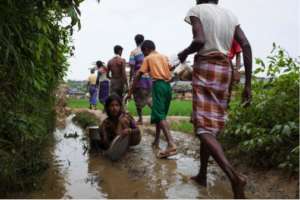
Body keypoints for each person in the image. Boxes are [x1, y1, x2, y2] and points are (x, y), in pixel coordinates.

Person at [178, 0, 252, 198]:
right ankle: (202, 174)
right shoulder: (230, 15)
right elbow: (245, 44)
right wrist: (248, 85)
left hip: (206, 67)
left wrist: (183, 53)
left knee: (203, 128)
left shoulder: (197, 10)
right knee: (211, 127)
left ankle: (234, 177)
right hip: (224, 70)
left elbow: (199, 41)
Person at [127, 40, 177, 159]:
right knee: (161, 116)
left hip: (158, 86)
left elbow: (138, 75)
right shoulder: (164, 56)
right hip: (167, 87)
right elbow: (171, 68)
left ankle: (171, 144)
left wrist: (130, 91)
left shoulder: (148, 58)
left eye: (144, 53)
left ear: (146, 49)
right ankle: (156, 141)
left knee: (159, 116)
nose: (144, 55)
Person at [129, 34, 152, 124]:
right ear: (143, 40)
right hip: (149, 79)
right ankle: (157, 117)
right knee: (150, 98)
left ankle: (140, 119)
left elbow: (132, 66)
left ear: (135, 41)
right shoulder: (149, 52)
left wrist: (131, 79)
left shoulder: (133, 52)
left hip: (138, 79)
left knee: (137, 98)